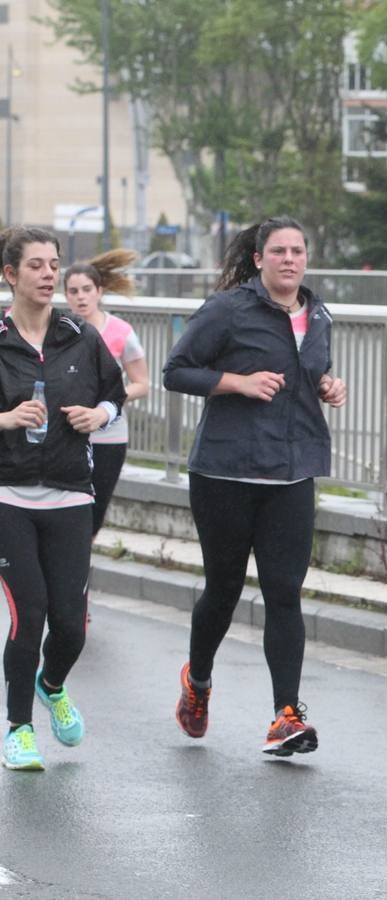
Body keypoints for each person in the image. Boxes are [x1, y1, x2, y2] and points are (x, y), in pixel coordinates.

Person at [162, 216, 346, 757]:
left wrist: (327, 385)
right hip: (225, 472)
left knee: (284, 592)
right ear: (259, 259)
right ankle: (198, 682)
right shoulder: (228, 309)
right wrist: (236, 382)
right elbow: (177, 371)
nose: (290, 260)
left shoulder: (319, 315)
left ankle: (286, 715)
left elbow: (309, 374)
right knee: (223, 589)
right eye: (279, 251)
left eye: (298, 251)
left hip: (292, 473)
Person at [0, 225, 126, 770]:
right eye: (36, 265)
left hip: (71, 495)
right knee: (29, 615)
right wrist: (6, 419)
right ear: (10, 274)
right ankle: (18, 730)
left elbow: (116, 395)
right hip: (9, 497)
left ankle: (51, 684)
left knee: (71, 625)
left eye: (54, 264)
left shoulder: (80, 335)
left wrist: (100, 415)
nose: (49, 274)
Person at [63, 249, 150, 537]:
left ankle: (82, 564)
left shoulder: (121, 331)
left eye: (87, 289)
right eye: (73, 291)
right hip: (67, 434)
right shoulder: (58, 331)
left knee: (94, 515)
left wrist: (108, 401)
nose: (81, 297)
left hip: (109, 435)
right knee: (68, 516)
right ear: (65, 295)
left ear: (99, 291)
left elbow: (142, 383)